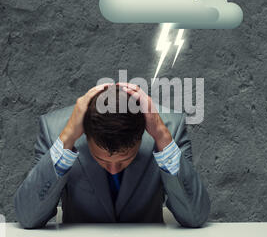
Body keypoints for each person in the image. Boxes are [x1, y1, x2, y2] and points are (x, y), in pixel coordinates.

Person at [14, 82, 210, 229]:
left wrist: (162, 136)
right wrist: (66, 138)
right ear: (86, 134)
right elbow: (28, 217)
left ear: (141, 137)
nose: (113, 170)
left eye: (125, 160)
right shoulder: (54, 129)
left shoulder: (168, 129)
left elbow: (195, 217)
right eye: (102, 160)